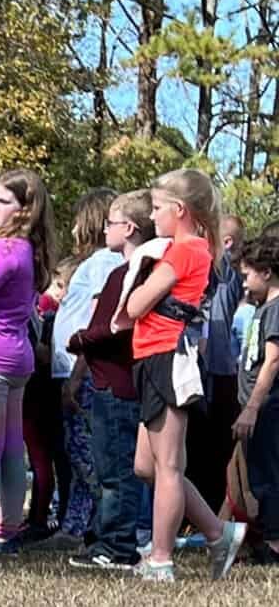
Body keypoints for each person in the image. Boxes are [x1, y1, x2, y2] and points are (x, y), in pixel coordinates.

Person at [121, 168, 245, 581]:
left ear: (179, 210)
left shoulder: (185, 250)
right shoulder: (183, 248)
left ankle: (160, 559)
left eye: (157, 208)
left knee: (169, 465)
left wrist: (139, 262)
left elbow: (137, 305)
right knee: (147, 464)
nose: (151, 217)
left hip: (166, 358)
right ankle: (217, 531)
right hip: (154, 358)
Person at [66, 189, 153, 571]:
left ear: (130, 228)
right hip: (105, 380)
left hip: (119, 383)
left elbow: (116, 326)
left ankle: (118, 545)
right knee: (107, 467)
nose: (105, 230)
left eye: (111, 223)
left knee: (117, 469)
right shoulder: (123, 271)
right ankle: (106, 537)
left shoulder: (133, 273)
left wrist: (80, 338)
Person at [0, 169, 53, 557]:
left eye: (4, 201)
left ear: (24, 209)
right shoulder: (30, 251)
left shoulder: (3, 251)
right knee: (10, 447)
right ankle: (8, 528)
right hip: (18, 357)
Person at [46, 189, 124, 550]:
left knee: (85, 450)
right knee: (76, 450)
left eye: (79, 220)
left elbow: (97, 317)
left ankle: (108, 522)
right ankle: (76, 525)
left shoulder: (105, 263)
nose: (74, 228)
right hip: (74, 369)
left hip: (87, 370)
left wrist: (79, 371)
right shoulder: (94, 263)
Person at [184, 214, 246, 527]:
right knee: (193, 447)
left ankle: (212, 514)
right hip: (196, 372)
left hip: (221, 375)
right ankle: (193, 515)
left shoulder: (228, 276)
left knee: (216, 448)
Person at [24, 256, 77, 547]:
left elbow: (45, 353)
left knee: (47, 456)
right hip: (48, 389)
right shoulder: (51, 313)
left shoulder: (51, 315)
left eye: (60, 286)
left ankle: (41, 517)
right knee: (52, 456)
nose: (55, 293)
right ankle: (48, 513)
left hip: (43, 392)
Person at [235, 235, 279, 564]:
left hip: (268, 407)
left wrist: (252, 407)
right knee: (255, 474)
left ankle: (275, 544)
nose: (245, 285)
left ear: (266, 272)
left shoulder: (276, 311)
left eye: (248, 275)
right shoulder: (263, 308)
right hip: (256, 407)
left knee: (268, 476)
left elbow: (273, 360)